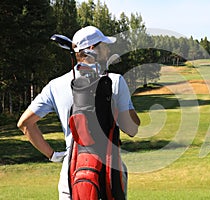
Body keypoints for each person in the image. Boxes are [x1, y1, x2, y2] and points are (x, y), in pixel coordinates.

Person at [17, 26, 140, 199]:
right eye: (104, 45)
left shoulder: (55, 85)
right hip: (109, 174)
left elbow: (25, 124)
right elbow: (132, 129)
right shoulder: (115, 81)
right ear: (92, 49)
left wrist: (52, 155)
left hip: (73, 173)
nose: (108, 49)